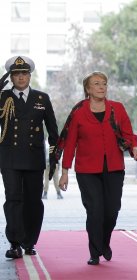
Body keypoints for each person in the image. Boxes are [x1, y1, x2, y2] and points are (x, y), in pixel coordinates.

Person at [58, 71, 137, 265]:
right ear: (88, 89)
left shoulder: (117, 108)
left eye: (104, 83)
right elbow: (70, 144)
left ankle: (105, 242)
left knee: (112, 210)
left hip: (113, 168)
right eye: (96, 84)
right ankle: (95, 252)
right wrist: (64, 172)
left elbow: (128, 134)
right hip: (87, 170)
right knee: (95, 209)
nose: (101, 87)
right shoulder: (78, 112)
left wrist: (135, 148)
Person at [0, 56, 59, 258]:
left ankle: (30, 242)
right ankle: (15, 243)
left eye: (24, 73)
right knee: (13, 199)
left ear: (29, 75)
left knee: (33, 201)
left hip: (34, 158)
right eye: (16, 74)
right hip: (9, 158)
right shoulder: (3, 96)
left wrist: (54, 158)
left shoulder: (42, 98)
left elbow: (53, 131)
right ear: (11, 77)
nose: (21, 77)